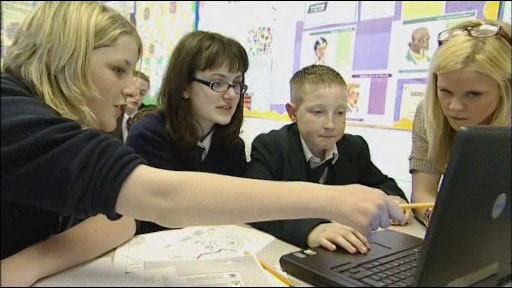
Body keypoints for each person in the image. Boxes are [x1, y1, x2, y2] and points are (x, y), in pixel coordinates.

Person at [1, 2, 405, 285]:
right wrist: (329, 201)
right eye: (117, 69)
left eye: (236, 83)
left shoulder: (70, 124)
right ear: (65, 57)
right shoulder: (13, 113)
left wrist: (30, 263)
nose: (130, 89)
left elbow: (120, 218)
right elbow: (159, 197)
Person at [246, 65, 411, 253]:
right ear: (293, 113)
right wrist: (311, 228)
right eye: (318, 112)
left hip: (345, 250)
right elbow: (256, 206)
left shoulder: (354, 148)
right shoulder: (271, 146)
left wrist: (394, 200)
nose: (331, 124)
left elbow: (383, 183)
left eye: (340, 113)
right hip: (286, 250)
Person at [126, 31, 248, 234]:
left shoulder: (233, 146)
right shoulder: (149, 135)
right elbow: (157, 216)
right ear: (184, 86)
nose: (231, 95)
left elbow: (238, 207)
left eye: (236, 84)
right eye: (217, 83)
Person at [410, 19, 511, 226]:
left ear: (505, 89)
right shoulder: (429, 113)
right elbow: (423, 194)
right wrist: (442, 224)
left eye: (473, 94)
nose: (454, 107)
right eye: (445, 91)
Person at [110, 70, 151, 142]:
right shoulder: (110, 116)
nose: (137, 97)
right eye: (133, 90)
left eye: (142, 93)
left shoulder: (148, 119)